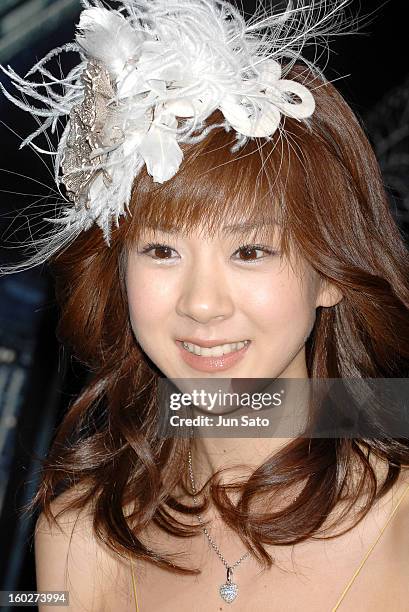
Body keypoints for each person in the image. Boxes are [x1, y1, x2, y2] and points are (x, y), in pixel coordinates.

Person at [2, 0, 409, 610]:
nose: (201, 304)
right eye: (162, 250)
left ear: (331, 275)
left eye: (250, 250)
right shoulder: (75, 535)